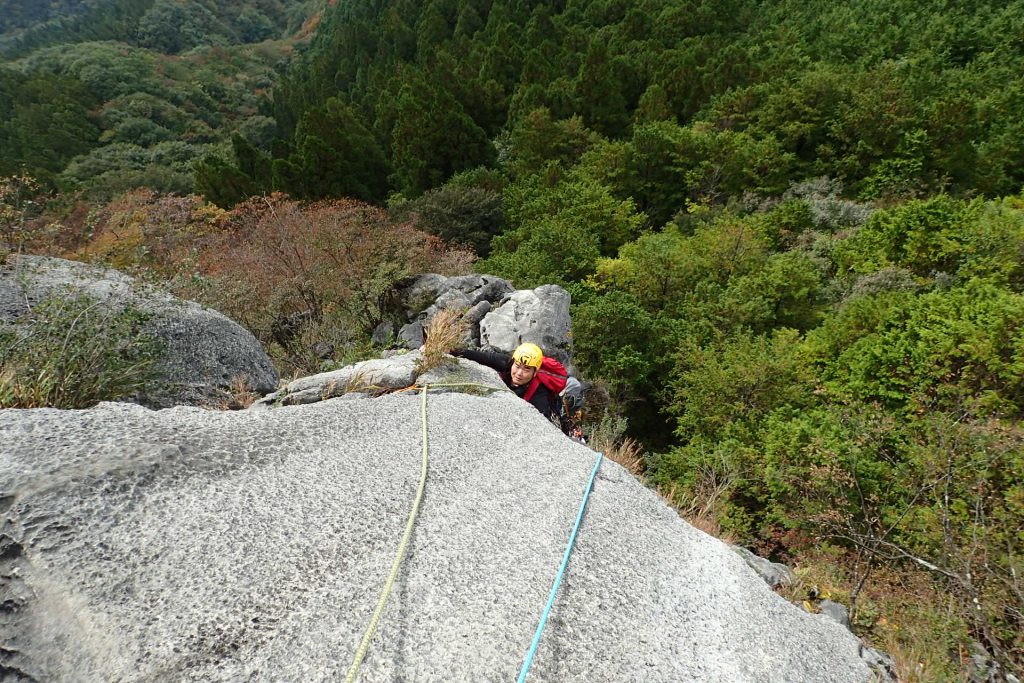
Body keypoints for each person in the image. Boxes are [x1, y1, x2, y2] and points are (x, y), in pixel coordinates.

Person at [453, 342, 563, 423]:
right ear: (513, 362)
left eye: (527, 369)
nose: (519, 373)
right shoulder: (506, 363)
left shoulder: (538, 395)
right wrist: (452, 350)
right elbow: (482, 357)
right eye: (517, 366)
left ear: (535, 373)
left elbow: (542, 423)